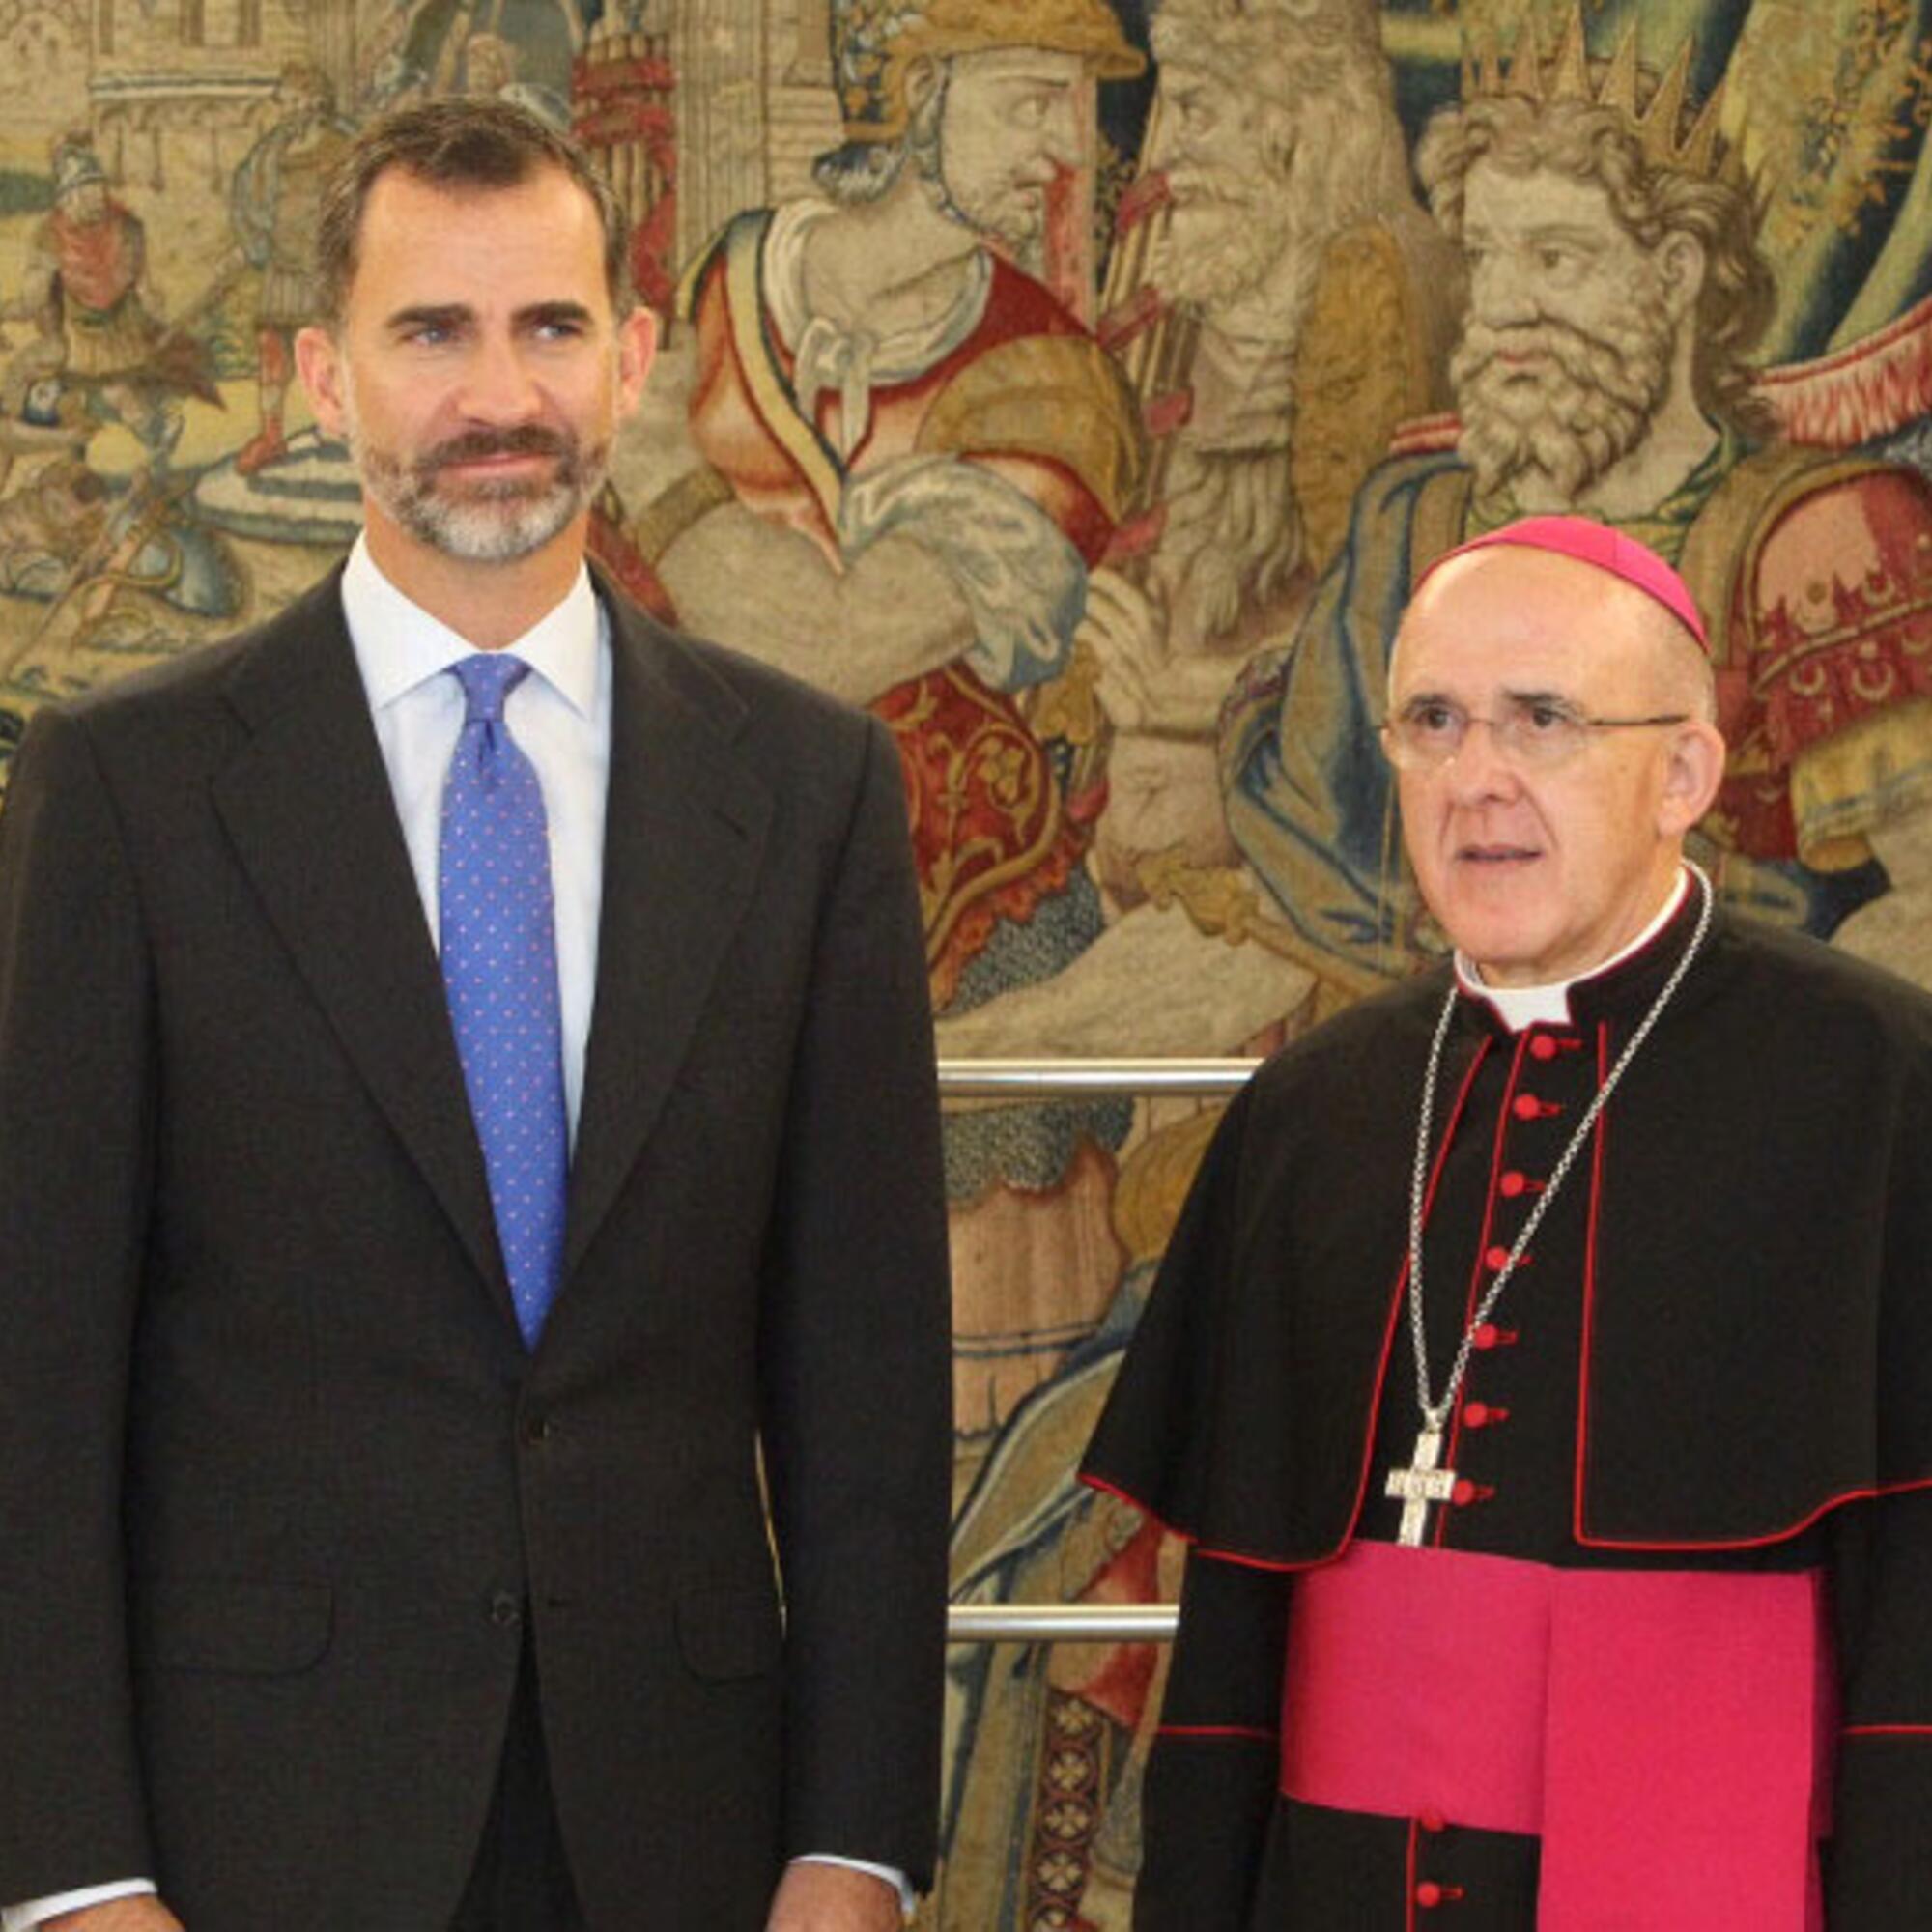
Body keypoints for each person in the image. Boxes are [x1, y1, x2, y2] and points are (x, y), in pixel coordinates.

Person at [0, 99, 951, 1932]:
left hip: (688, 1830)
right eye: (431, 331)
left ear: (636, 359)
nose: (497, 391)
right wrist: (68, 1873)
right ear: (322, 375)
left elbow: (868, 1384)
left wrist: (857, 1843)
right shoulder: (129, 787)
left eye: (551, 326)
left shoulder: (811, 792)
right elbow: (35, 1384)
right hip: (249, 1836)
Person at [1083, 514, 1932, 1927]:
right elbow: (1231, 1659)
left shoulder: (1884, 1091)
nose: (1477, 778)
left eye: (1540, 720)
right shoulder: (1311, 1112)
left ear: (1684, 773)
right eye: (1432, 721)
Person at [1220, 11, 1932, 1000]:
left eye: (1553, 258)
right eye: (1486, 258)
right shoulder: (1408, 528)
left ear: (1675, 273)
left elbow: (1920, 910)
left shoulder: (1814, 542)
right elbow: (1285, 906)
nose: (1502, 302)